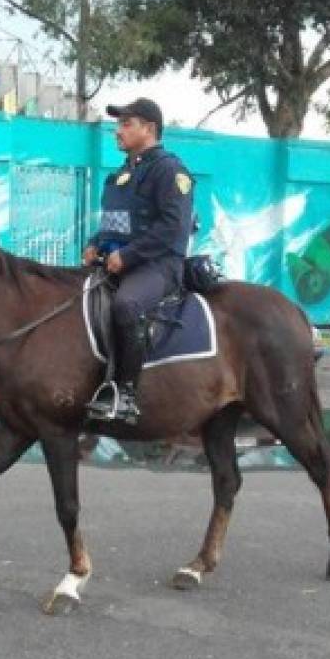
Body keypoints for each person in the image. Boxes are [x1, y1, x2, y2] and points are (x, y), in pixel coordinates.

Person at [82, 98, 195, 424]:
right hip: (117, 261)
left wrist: (128, 256)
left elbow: (174, 227)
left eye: (126, 124)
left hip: (158, 266)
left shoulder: (169, 170)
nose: (117, 131)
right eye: (118, 124)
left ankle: (127, 391)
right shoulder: (121, 174)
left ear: (149, 129)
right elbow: (113, 223)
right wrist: (94, 244)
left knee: (126, 306)